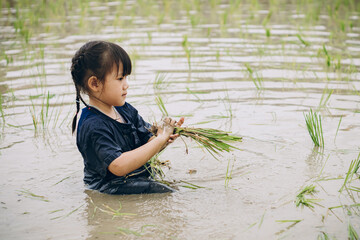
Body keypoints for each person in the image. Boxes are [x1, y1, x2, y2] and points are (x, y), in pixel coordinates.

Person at [70, 40, 184, 194]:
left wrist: (164, 136)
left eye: (126, 78)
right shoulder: (92, 124)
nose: (126, 85)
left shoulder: (124, 109)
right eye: (120, 79)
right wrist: (159, 139)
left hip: (136, 177)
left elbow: (147, 141)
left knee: (167, 186)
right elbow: (118, 166)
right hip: (110, 186)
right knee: (166, 192)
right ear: (95, 84)